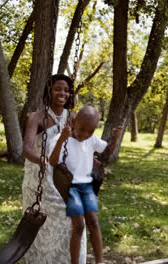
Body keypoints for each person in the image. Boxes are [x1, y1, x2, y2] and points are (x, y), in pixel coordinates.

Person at [22, 74, 87, 263]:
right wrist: (42, 160)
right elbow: (26, 150)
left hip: (63, 175)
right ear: (49, 91)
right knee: (44, 221)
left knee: (72, 219)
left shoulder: (72, 118)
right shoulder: (37, 117)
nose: (63, 93)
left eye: (66, 90)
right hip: (39, 177)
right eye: (58, 88)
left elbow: (83, 142)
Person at [48, 106, 122, 264]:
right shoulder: (62, 138)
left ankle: (99, 261)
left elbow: (106, 152)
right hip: (70, 186)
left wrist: (115, 139)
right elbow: (52, 162)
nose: (85, 135)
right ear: (74, 122)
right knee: (79, 226)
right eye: (82, 129)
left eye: (90, 131)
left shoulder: (90, 139)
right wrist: (62, 140)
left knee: (94, 223)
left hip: (86, 185)